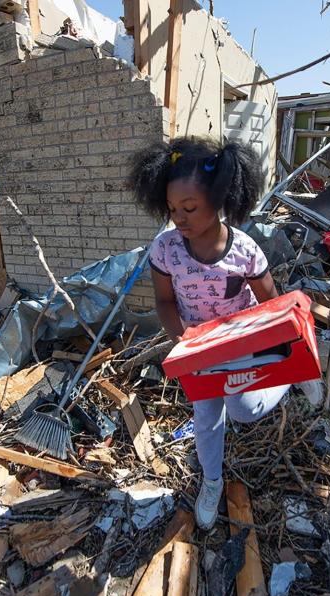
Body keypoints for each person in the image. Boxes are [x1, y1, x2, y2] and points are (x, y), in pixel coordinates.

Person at [127, 137, 291, 530]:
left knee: (242, 409)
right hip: (198, 349)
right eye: (171, 210)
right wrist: (184, 338)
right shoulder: (166, 250)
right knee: (206, 418)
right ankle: (211, 482)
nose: (178, 219)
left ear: (218, 202)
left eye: (189, 208)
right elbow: (165, 304)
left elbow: (272, 302)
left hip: (241, 345)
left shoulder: (245, 251)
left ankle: (288, 380)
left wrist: (283, 348)